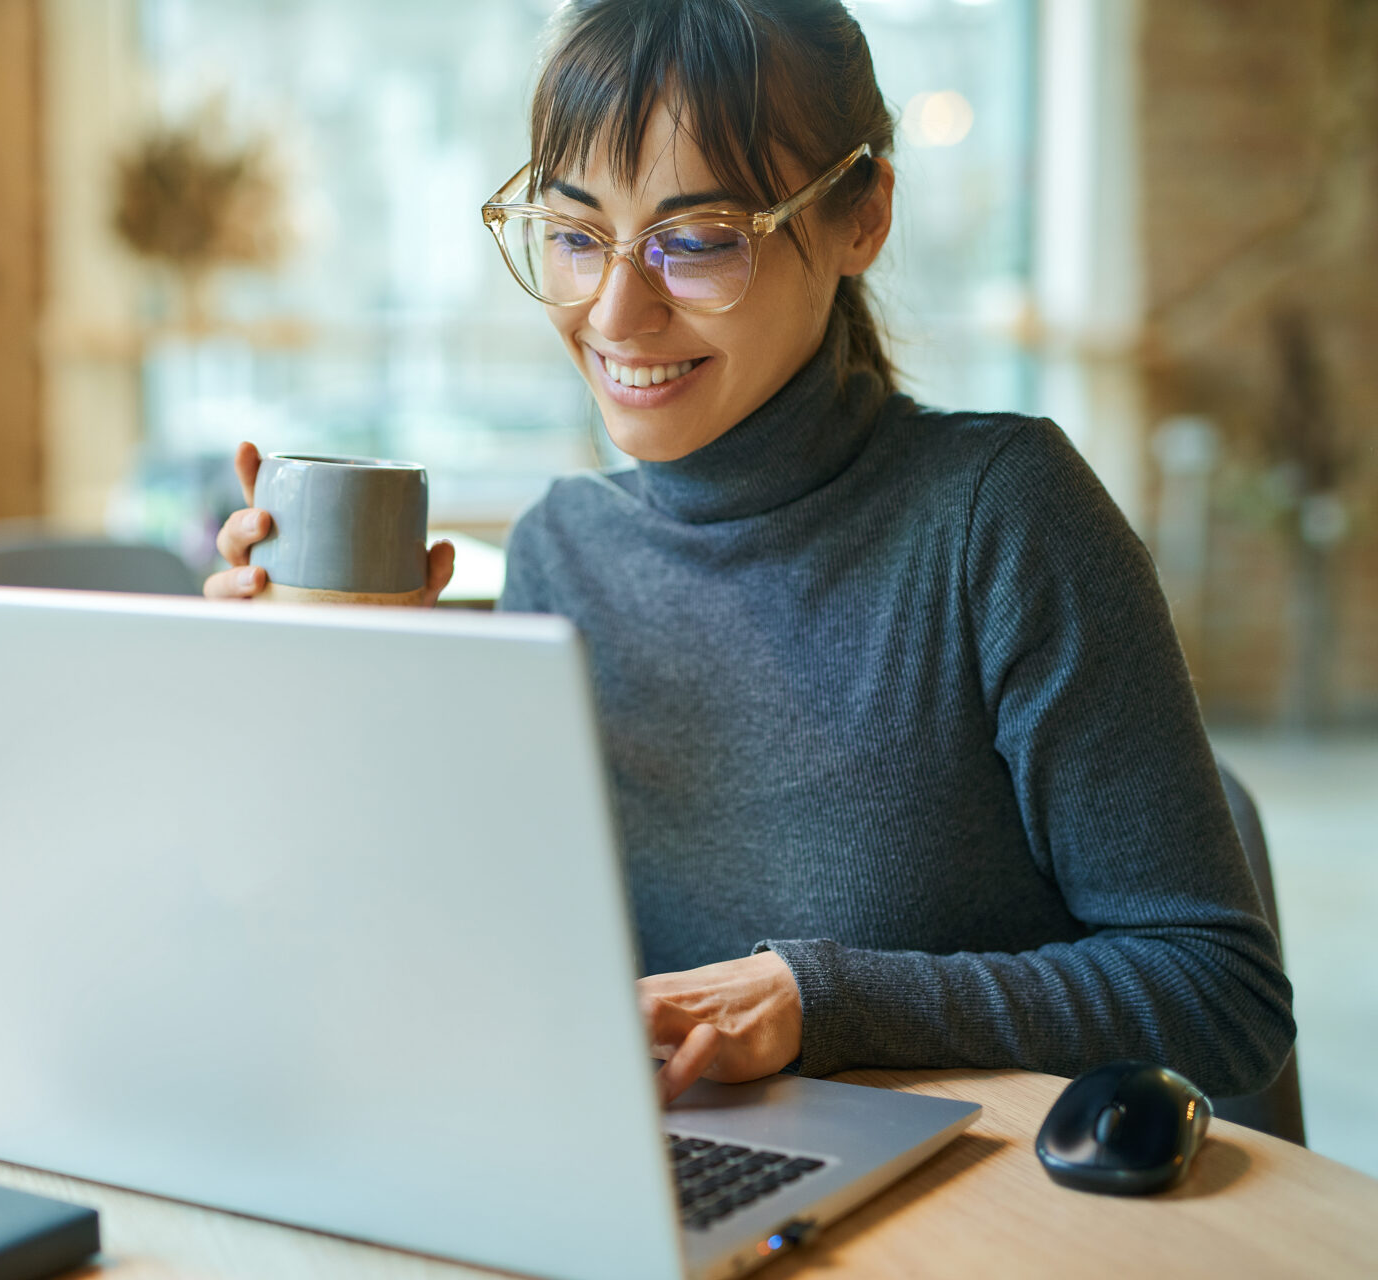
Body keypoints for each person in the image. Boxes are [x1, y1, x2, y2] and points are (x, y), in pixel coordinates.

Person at [205, 0, 1295, 1104]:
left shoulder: (1000, 518)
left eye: (698, 241)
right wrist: (342, 710)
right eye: (576, 236)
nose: (616, 313)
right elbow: (493, 974)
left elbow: (1220, 994)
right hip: (690, 1185)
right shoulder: (563, 554)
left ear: (861, 215)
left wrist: (821, 1001)